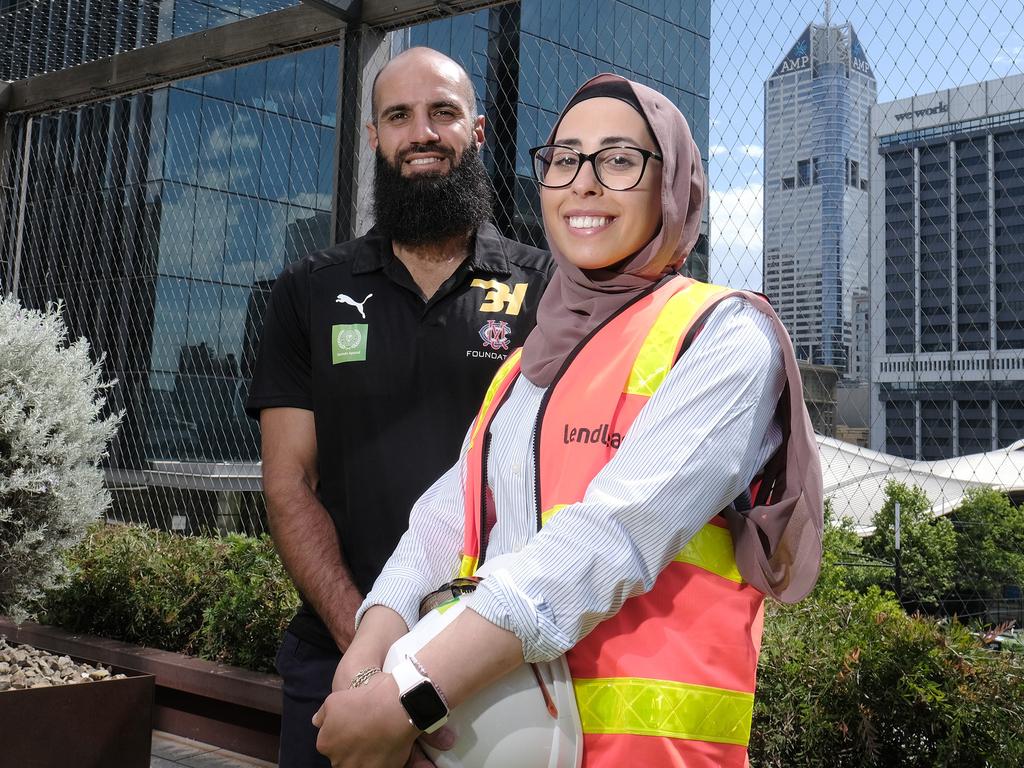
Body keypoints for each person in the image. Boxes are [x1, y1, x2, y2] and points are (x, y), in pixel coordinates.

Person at [312, 73, 823, 768]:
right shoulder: (528, 366)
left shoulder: (724, 335)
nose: (583, 183)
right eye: (563, 159)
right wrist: (371, 644)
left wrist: (409, 695)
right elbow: (444, 518)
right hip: (508, 743)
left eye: (618, 159)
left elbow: (609, 538)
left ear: (670, 182)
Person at [245, 47, 553, 768]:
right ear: (376, 139)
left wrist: (434, 666)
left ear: (477, 131)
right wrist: (368, 652)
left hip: (498, 665)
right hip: (337, 652)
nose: (422, 132)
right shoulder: (310, 290)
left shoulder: (547, 290)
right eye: (399, 116)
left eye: (443, 112)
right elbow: (289, 484)